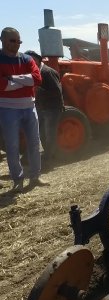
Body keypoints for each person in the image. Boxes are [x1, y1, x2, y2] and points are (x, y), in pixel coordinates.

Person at [0, 27, 48, 192]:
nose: (17, 44)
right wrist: (24, 81)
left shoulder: (27, 59)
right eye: (13, 41)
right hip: (8, 109)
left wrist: (11, 79)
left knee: (35, 143)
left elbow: (37, 78)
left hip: (29, 107)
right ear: (3, 40)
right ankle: (18, 180)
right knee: (12, 146)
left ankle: (35, 176)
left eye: (19, 41)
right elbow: (0, 85)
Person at [25, 50, 64, 167]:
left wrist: (39, 90)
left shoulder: (47, 72)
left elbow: (57, 91)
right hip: (41, 107)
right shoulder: (34, 72)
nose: (29, 62)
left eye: (31, 59)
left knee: (49, 133)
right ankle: (48, 154)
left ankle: (49, 159)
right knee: (42, 133)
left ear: (37, 59)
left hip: (52, 108)